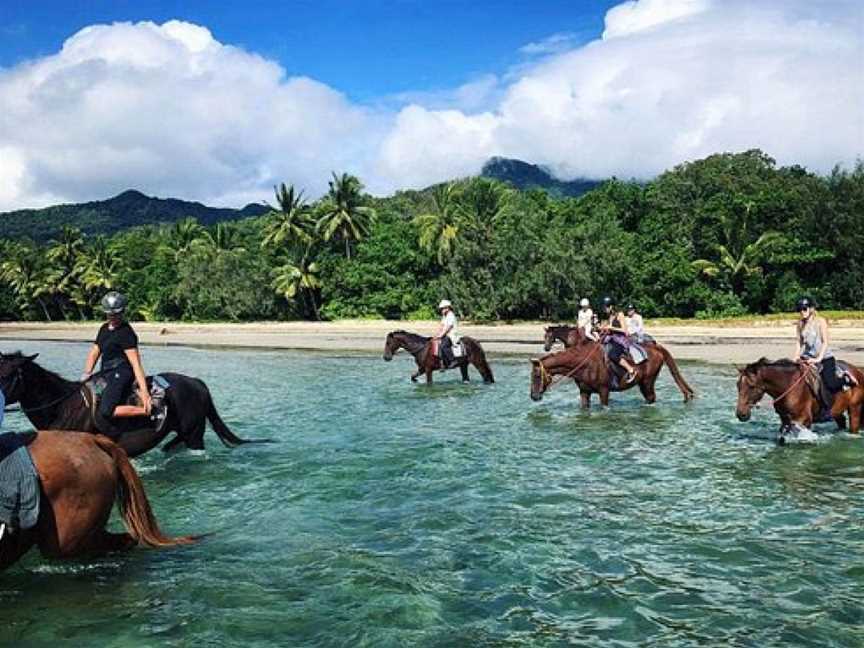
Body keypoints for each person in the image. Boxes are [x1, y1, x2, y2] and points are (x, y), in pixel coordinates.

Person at [82, 291, 151, 427]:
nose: (112, 317)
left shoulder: (126, 332)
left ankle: (145, 411)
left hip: (122, 371)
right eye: (109, 314)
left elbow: (136, 364)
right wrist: (86, 374)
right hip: (105, 372)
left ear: (122, 312)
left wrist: (145, 392)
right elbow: (94, 353)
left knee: (107, 411)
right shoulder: (104, 329)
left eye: (116, 314)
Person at [793, 296, 846, 396]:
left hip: (824, 357)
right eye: (799, 309)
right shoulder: (800, 324)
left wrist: (818, 359)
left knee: (830, 384)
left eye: (804, 308)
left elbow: (825, 342)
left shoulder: (820, 321)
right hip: (807, 357)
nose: (802, 311)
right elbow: (799, 342)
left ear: (811, 309)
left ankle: (845, 378)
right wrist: (796, 356)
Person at [600, 297, 637, 383]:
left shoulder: (620, 314)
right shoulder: (610, 316)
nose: (604, 309)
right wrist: (603, 329)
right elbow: (610, 329)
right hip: (611, 338)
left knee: (613, 355)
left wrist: (611, 327)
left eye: (605, 307)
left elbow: (625, 330)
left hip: (620, 340)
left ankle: (631, 370)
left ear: (611, 307)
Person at [435, 299, 459, 368]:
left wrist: (441, 335)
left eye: (443, 308)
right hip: (445, 334)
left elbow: (449, 327)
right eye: (441, 309)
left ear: (447, 308)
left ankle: (453, 360)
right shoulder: (444, 316)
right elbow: (441, 326)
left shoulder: (451, 315)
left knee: (444, 346)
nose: (441, 310)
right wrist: (437, 334)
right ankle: (442, 363)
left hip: (451, 334)